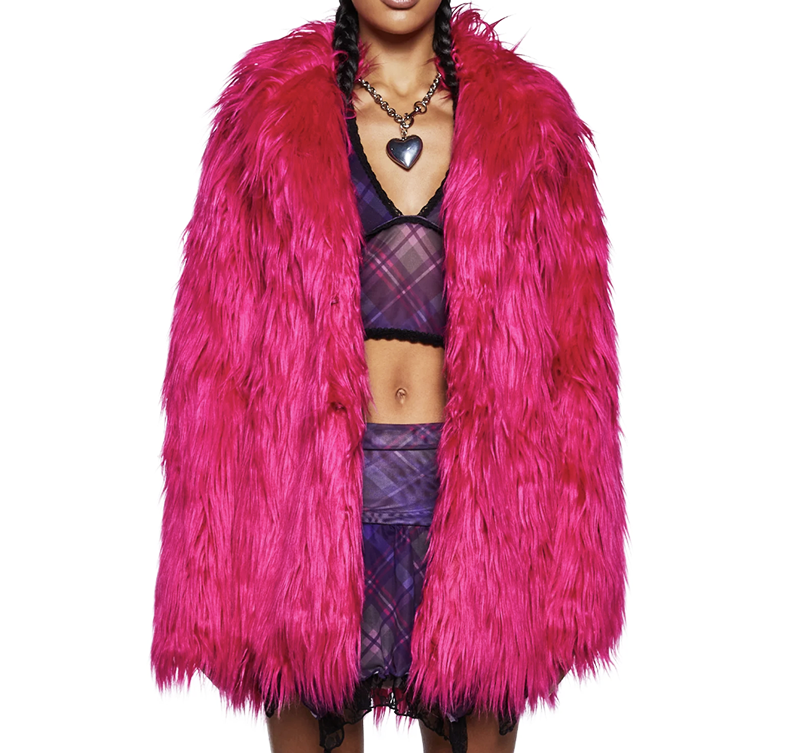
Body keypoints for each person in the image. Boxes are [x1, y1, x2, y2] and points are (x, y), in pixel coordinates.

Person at [151, 2, 627, 752]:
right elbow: (210, 357)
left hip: (478, 507)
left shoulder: (532, 127)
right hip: (308, 506)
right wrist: (212, 561)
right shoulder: (265, 121)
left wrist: (573, 563)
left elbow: (579, 359)